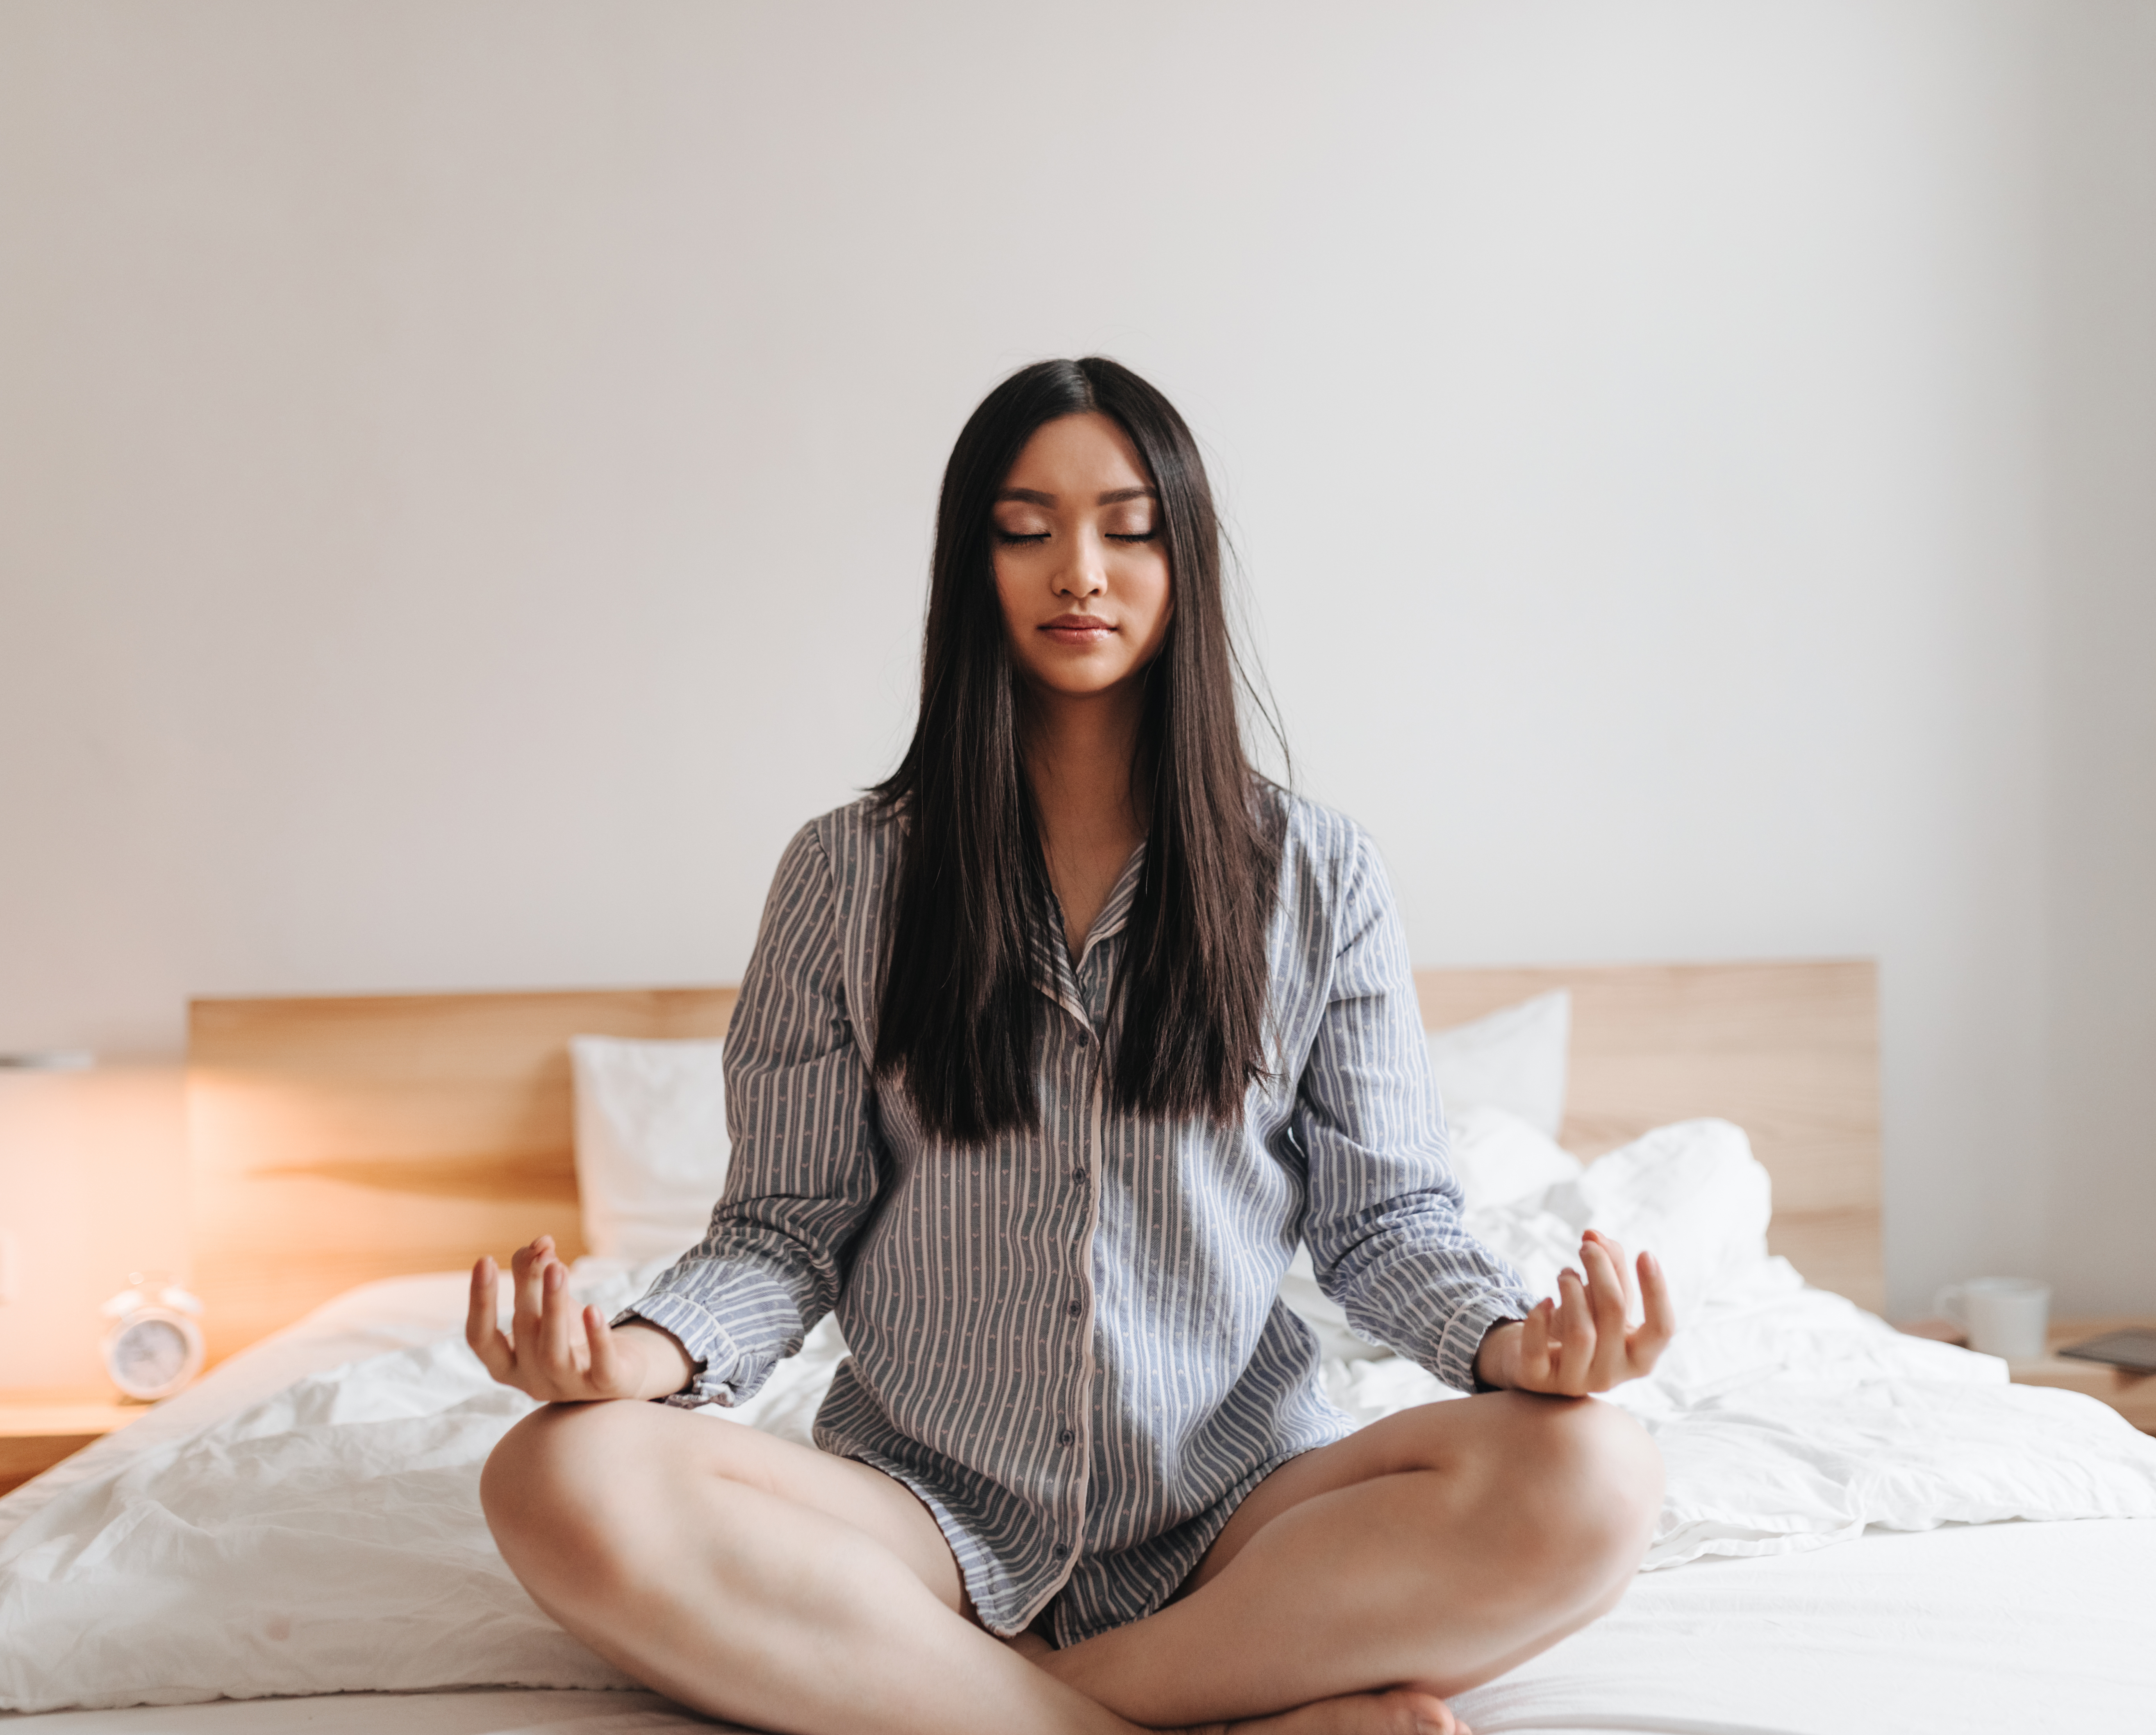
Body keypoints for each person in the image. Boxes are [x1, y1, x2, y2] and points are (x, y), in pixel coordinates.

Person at [467, 357, 1675, 1735]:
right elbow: (785, 1231)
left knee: (1598, 1476)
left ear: (1185, 558)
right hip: (919, 1513)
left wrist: (1514, 1344)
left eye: (1130, 528)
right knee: (557, 1476)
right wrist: (644, 1355)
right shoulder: (845, 874)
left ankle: (1000, 1707)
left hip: (1240, 1513)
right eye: (1025, 529)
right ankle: (1199, 1718)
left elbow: (1385, 1222)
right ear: (971, 563)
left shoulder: (1319, 874)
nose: (1079, 573)